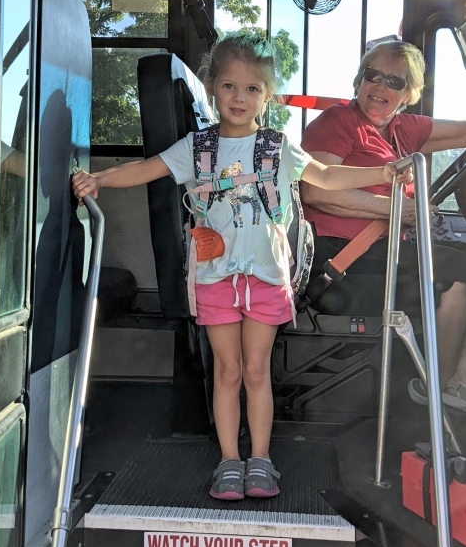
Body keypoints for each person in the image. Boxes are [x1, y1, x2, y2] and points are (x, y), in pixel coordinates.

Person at [71, 34, 411, 503]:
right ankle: (230, 459)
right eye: (229, 86)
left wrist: (383, 172)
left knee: (256, 371)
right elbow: (147, 169)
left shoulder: (278, 147)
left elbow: (328, 176)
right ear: (212, 88)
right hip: (215, 279)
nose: (239, 97)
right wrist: (100, 180)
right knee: (227, 371)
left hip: (266, 279)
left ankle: (262, 459)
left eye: (252, 89)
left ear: (267, 96)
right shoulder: (197, 147)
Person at [300, 37, 466, 422]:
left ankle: (465, 379)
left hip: (381, 254)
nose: (380, 87)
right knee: (457, 271)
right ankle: (438, 387)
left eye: (394, 82)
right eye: (373, 76)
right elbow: (315, 190)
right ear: (359, 80)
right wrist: (398, 209)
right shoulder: (338, 122)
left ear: (409, 93)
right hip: (339, 263)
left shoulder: (403, 130)